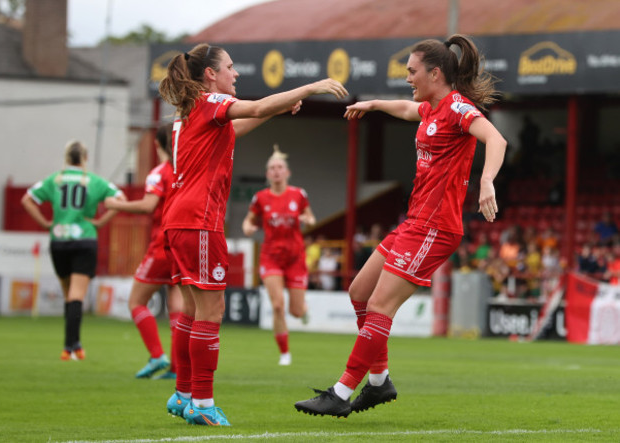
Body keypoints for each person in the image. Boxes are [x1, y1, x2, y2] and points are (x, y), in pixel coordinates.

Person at [294, 34, 506, 417]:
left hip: (436, 227)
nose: (408, 79)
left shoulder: (458, 108)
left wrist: (487, 180)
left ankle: (341, 392)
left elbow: (496, 138)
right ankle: (378, 383)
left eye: (412, 72)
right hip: (414, 222)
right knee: (359, 292)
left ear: (435, 73)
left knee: (379, 304)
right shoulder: (430, 109)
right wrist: (374, 104)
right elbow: (407, 110)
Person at [158, 43, 348, 426]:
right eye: (230, 67)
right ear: (210, 74)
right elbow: (257, 107)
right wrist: (312, 87)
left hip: (177, 220)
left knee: (193, 311)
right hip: (198, 220)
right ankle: (203, 403)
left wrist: (279, 106)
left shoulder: (187, 113)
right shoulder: (211, 101)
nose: (236, 73)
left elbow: (244, 122)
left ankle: (183, 394)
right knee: (211, 312)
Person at [21, 140, 125, 360]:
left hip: (58, 240)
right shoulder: (95, 181)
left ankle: (70, 346)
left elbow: (27, 200)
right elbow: (120, 199)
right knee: (77, 295)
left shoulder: (54, 180)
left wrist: (44, 223)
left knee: (68, 293)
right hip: (84, 238)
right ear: (85, 158)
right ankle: (72, 346)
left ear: (67, 158)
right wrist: (102, 221)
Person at [104, 124, 183, 379]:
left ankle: (157, 355)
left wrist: (118, 204)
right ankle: (177, 368)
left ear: (156, 145)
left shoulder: (159, 172)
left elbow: (149, 205)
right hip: (182, 244)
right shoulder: (185, 169)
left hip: (161, 244)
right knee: (177, 309)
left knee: (136, 301)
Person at [241, 145, 315, 366]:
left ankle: (303, 309)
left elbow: (309, 216)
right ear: (267, 174)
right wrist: (247, 228)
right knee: (277, 306)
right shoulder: (260, 198)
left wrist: (308, 220)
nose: (276, 171)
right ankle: (284, 353)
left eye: (279, 167)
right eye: (272, 168)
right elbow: (249, 220)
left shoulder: (298, 194)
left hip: (295, 258)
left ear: (287, 172)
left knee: (295, 310)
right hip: (271, 256)